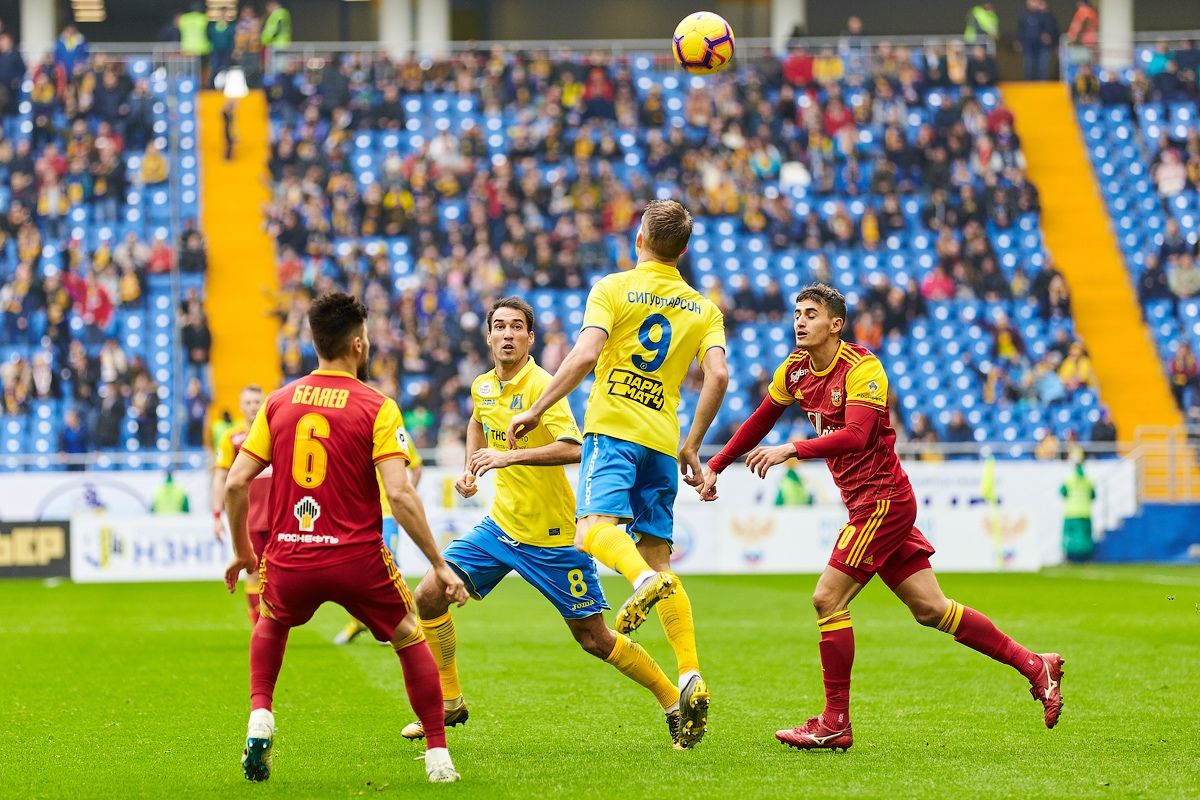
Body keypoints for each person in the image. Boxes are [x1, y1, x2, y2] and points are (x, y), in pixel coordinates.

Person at [697, 284, 1064, 750]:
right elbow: (761, 418)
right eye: (797, 313)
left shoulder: (862, 367)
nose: (800, 321)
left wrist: (792, 449)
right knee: (931, 609)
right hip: (868, 503)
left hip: (882, 501)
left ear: (836, 325)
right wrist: (717, 464)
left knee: (827, 599)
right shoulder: (794, 369)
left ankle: (835, 722)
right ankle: (1035, 665)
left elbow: (856, 434)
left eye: (811, 314)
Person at [398, 297, 686, 748]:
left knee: (594, 639)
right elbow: (477, 421)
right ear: (488, 336)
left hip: (553, 540)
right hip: (499, 529)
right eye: (499, 326)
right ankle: (449, 701)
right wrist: (472, 467)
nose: (507, 334)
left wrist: (506, 457)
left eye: (517, 327)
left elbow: (575, 447)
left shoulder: (544, 385)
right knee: (430, 594)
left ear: (530, 338)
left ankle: (673, 701)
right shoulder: (482, 386)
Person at [507, 200, 729, 749]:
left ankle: (641, 582)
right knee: (660, 557)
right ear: (684, 250)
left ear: (640, 239)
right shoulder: (703, 308)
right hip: (662, 443)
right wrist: (693, 444)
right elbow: (719, 375)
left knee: (591, 531)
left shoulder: (613, 287)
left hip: (612, 433)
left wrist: (537, 408)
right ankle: (689, 672)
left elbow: (585, 354)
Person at [222, 293, 468, 783]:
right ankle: (438, 756)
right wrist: (439, 564)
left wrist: (242, 552)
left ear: (316, 343)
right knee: (408, 635)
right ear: (358, 344)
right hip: (357, 558)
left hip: (290, 553)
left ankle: (260, 716)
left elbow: (234, 483)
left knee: (271, 621)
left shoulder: (277, 403)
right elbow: (399, 493)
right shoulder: (377, 407)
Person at [333, 429, 424, 645]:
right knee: (354, 572)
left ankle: (397, 624)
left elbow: (417, 467)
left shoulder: (396, 433)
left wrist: (404, 499)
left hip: (387, 515)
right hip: (357, 516)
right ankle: (358, 622)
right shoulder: (355, 432)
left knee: (388, 568)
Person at [212, 385, 273, 625]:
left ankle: (272, 622)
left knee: (280, 574)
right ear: (240, 406)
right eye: (248, 402)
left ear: (264, 403)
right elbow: (220, 477)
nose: (253, 407)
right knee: (253, 572)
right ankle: (260, 626)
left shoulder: (275, 432)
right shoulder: (232, 439)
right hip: (250, 518)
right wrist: (217, 515)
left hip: (279, 516)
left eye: (257, 402)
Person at [1059, 461, 1095, 562]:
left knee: (1069, 536)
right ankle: (1087, 559)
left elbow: (1062, 492)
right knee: (1086, 537)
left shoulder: (1069, 479)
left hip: (1071, 513)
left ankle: (1067, 558)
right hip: (1085, 513)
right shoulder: (1088, 481)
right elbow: (1093, 495)